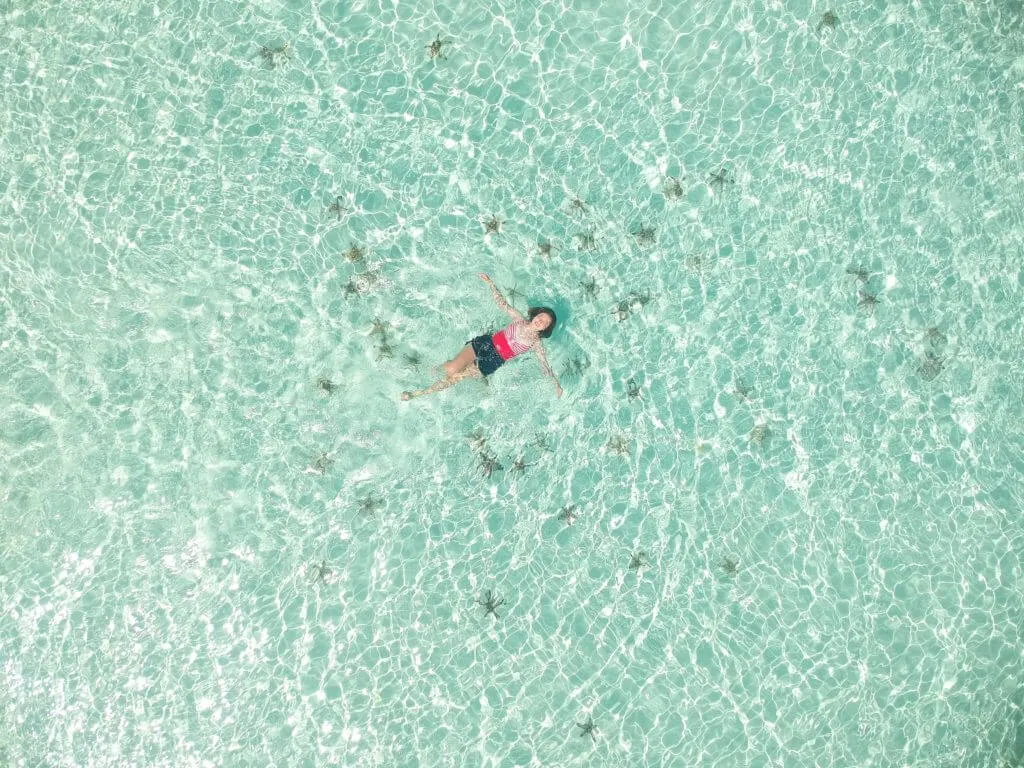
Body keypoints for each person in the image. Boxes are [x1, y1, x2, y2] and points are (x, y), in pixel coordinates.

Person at [401, 273, 563, 400]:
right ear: (535, 315)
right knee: (452, 368)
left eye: (545, 323)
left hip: (493, 361)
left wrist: (556, 384)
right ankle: (434, 369)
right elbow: (502, 304)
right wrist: (490, 284)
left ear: (545, 329)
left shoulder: (536, 344)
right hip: (485, 344)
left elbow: (544, 366)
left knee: (456, 377)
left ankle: (418, 394)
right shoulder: (519, 319)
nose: (540, 321)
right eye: (541, 317)